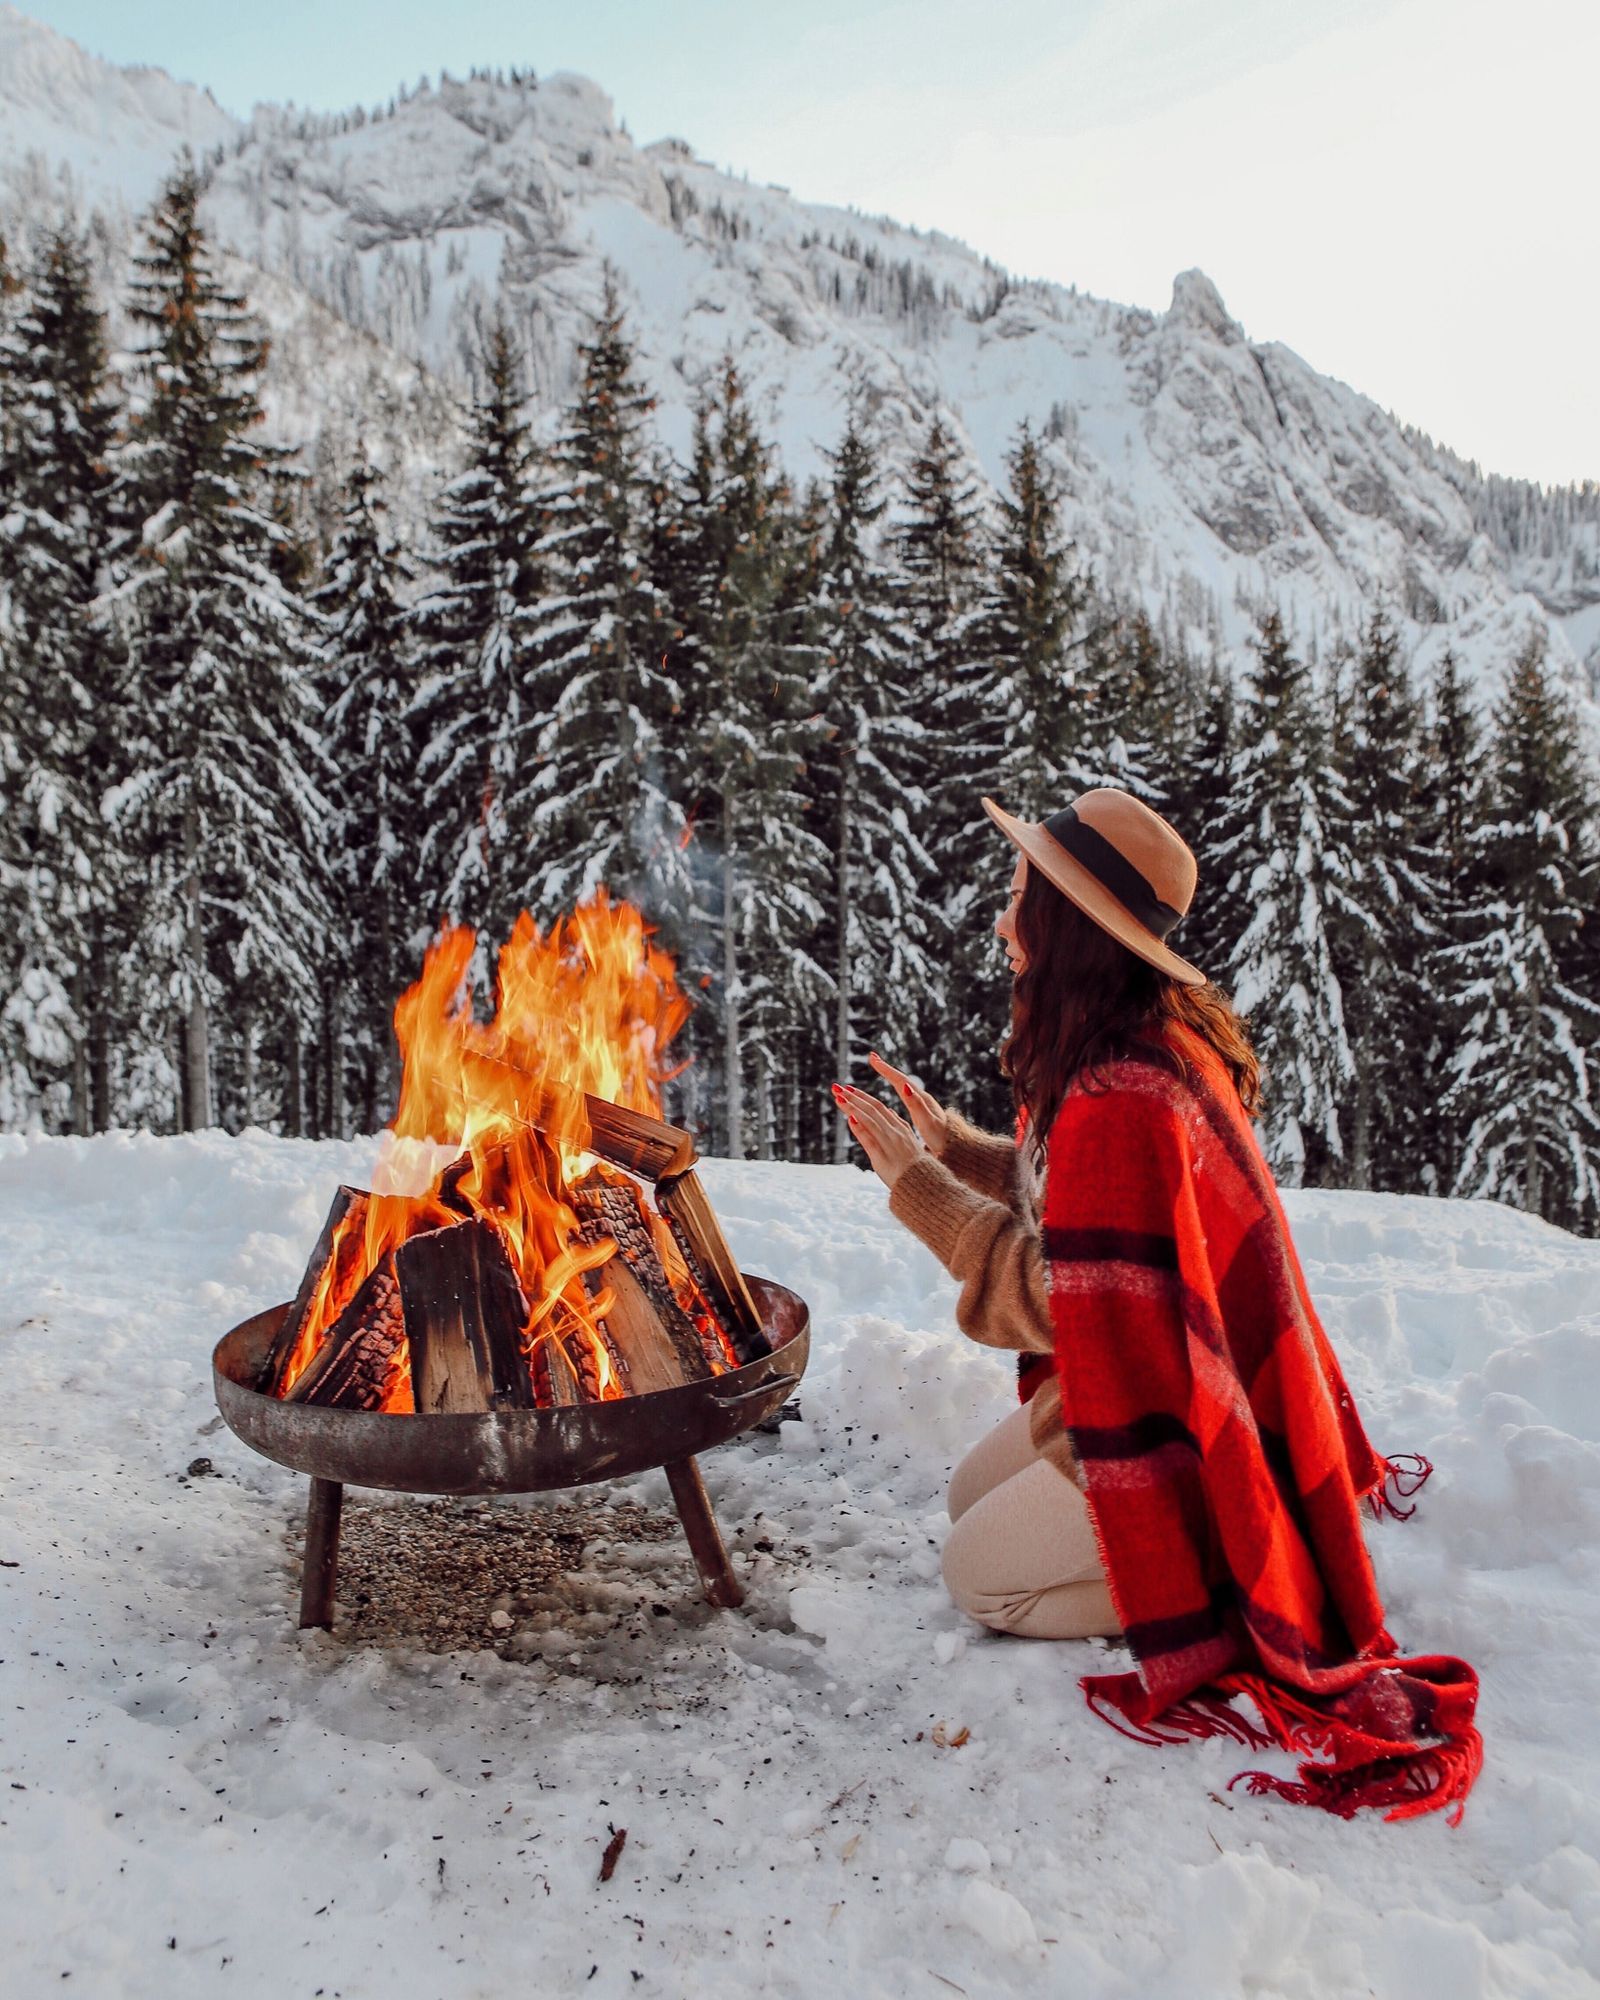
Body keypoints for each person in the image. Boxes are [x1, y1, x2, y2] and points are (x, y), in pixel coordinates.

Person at [832, 789, 1482, 1824]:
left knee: (978, 1579)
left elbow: (1065, 1301)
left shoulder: (1122, 1089)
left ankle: (1219, 1584)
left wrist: (919, 1187)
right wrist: (952, 1147)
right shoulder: (1128, 1045)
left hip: (1176, 1424)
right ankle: (1184, 1548)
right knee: (967, 1496)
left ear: (1066, 927)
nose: (1004, 921)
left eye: (1019, 900)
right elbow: (1089, 1218)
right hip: (1156, 1384)